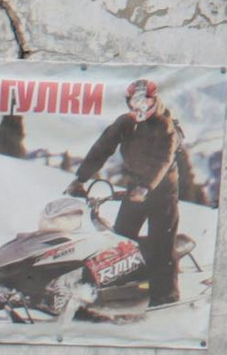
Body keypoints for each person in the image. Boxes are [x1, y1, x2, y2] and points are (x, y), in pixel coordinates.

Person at [74, 79, 196, 308]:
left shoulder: (165, 125)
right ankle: (119, 289)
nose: (139, 105)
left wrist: (147, 187)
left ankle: (165, 296)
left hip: (162, 194)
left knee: (162, 244)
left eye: (145, 99)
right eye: (134, 100)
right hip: (134, 191)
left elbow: (163, 159)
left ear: (154, 99)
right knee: (120, 241)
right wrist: (80, 178)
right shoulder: (126, 123)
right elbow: (102, 148)